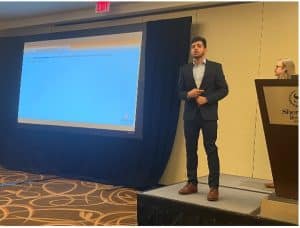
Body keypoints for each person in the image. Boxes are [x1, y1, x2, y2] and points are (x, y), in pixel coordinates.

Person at [177, 36, 228, 201]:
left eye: (199, 46)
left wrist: (207, 99)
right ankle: (192, 183)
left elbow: (224, 90)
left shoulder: (215, 67)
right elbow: (178, 92)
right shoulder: (184, 69)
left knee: (211, 149)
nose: (195, 49)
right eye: (193, 46)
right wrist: (188, 94)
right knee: (191, 149)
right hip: (190, 116)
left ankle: (214, 187)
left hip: (209, 116)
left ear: (205, 49)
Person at [265, 58, 296, 189]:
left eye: (277, 66)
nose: (275, 69)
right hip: (277, 125)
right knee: (279, 153)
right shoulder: (273, 86)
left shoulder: (294, 85)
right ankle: (279, 180)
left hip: (292, 125)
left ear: (285, 69)